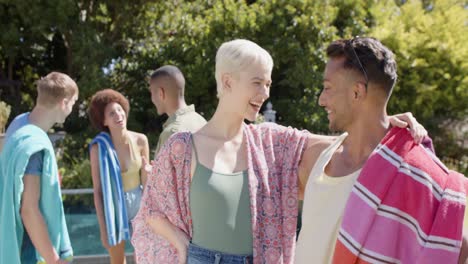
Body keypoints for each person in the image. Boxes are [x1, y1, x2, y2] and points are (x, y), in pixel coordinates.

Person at [132, 39, 425, 264]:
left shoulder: (269, 142)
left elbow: (338, 142)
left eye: (268, 84)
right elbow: (152, 210)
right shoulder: (182, 147)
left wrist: (383, 121)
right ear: (228, 81)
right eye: (258, 83)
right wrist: (182, 245)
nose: (266, 93)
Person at [295, 37, 468, 264]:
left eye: (327, 88)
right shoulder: (321, 154)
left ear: (357, 92)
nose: (321, 100)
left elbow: (455, 247)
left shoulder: (412, 173)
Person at [0, 72, 78, 264]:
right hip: (29, 251)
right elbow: (28, 209)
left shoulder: (18, 128)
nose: (72, 110)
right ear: (64, 103)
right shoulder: (34, 145)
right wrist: (53, 259)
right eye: (73, 104)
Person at [88, 89, 150, 264]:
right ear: (104, 121)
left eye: (119, 109)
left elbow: (146, 182)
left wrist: (150, 212)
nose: (118, 115)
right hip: (112, 206)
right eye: (111, 113)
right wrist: (103, 229)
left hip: (139, 202)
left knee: (144, 258)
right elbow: (98, 191)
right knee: (117, 260)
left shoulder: (141, 140)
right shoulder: (98, 148)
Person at [149, 65, 206, 157]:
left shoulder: (172, 133)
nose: (151, 99)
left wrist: (149, 171)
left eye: (151, 93)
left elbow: (164, 171)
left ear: (160, 93)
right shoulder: (202, 122)